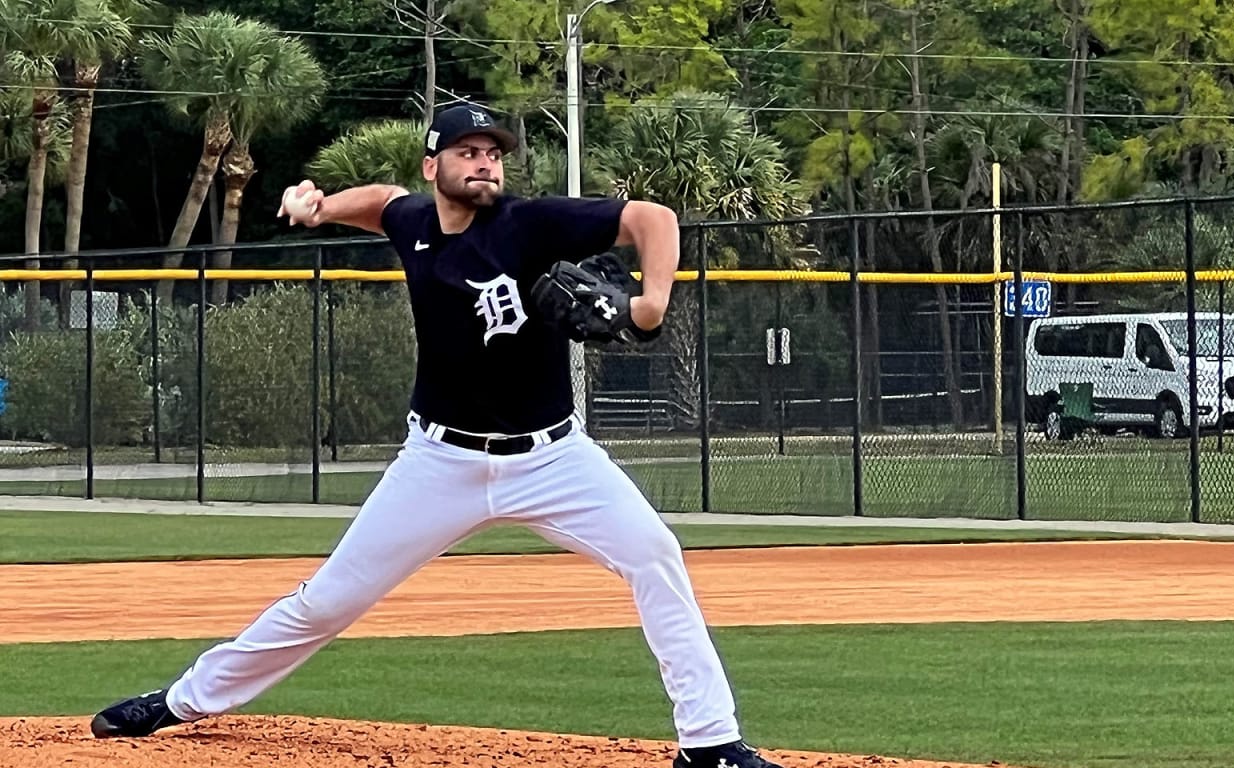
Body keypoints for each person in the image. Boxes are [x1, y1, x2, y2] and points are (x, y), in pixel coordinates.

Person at [89, 102, 783, 768]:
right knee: (328, 600)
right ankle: (184, 701)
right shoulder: (415, 220)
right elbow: (382, 202)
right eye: (468, 152)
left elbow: (651, 218)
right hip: (439, 461)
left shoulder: (532, 224)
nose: (485, 164)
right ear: (434, 166)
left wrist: (652, 303)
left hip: (554, 457)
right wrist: (322, 206)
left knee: (655, 555)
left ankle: (710, 743)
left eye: (493, 155)